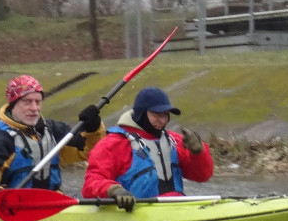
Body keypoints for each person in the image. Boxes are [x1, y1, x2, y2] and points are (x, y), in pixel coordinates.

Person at [0, 74, 105, 208]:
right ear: (13, 104)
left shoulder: (54, 130)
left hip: (53, 203)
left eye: (37, 102)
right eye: (27, 102)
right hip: (12, 206)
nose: (34, 108)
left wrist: (93, 128)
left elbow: (92, 152)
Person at [82, 86, 213, 211]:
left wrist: (199, 153)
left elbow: (203, 176)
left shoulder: (176, 141)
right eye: (157, 115)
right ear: (141, 113)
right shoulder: (113, 144)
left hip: (176, 207)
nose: (162, 121)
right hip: (134, 212)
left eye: (165, 115)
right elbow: (91, 183)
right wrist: (113, 190)